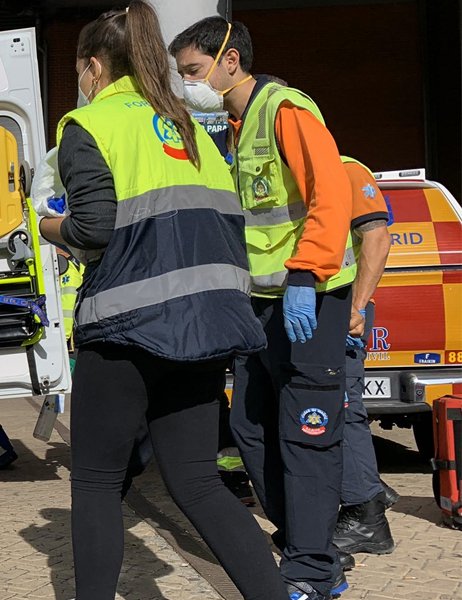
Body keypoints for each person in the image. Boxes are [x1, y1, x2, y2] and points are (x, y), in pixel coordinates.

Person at [36, 4, 284, 599]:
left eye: (80, 70)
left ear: (94, 67)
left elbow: (93, 228)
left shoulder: (89, 124)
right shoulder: (190, 127)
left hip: (125, 327)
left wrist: (50, 229)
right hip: (205, 326)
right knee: (197, 482)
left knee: (95, 482)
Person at [172, 18, 357, 600]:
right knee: (251, 427)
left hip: (310, 300)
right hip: (261, 305)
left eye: (194, 72)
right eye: (182, 76)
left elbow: (331, 194)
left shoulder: (285, 110)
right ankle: (306, 546)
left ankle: (312, 571)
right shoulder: (232, 125)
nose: (188, 85)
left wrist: (306, 273)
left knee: (308, 434)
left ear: (231, 62)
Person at [331, 156, 397, 562]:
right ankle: (367, 489)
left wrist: (356, 306)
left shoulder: (346, 169)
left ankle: (365, 511)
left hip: (339, 311)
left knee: (343, 407)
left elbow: (378, 237)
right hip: (318, 310)